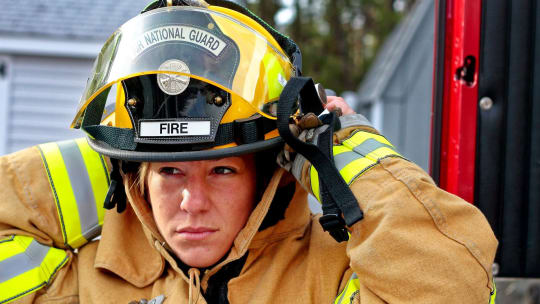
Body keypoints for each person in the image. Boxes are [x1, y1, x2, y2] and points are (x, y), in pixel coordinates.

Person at [0, 0, 498, 303]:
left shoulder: (334, 274)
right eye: (169, 172)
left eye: (220, 170)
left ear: (270, 172)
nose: (192, 203)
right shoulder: (84, 280)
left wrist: (342, 148)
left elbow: (453, 287)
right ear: (137, 180)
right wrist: (112, 156)